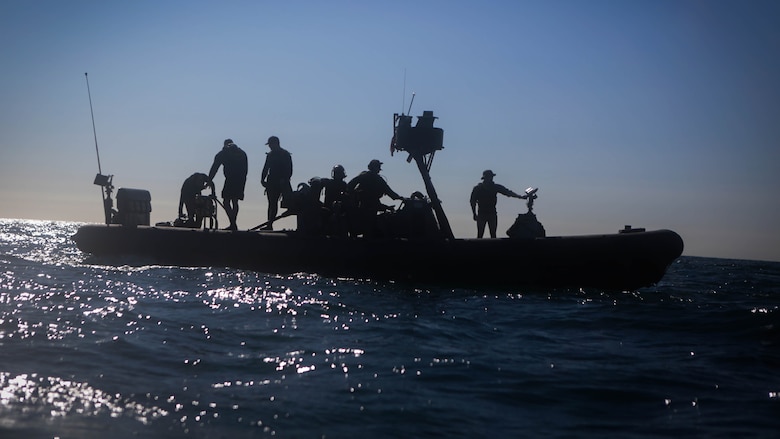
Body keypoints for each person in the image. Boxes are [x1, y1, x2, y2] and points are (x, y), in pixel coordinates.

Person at [347, 159, 402, 237]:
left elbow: (350, 185)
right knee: (370, 227)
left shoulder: (365, 176)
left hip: (366, 205)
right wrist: (400, 198)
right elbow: (390, 193)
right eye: (377, 166)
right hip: (368, 206)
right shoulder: (376, 179)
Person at [470, 169, 526, 238]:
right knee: (480, 235)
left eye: (491, 177)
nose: (491, 179)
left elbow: (507, 192)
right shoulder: (478, 188)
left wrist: (520, 197)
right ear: (485, 178)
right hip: (482, 214)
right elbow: (472, 201)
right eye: (489, 177)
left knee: (493, 234)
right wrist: (474, 213)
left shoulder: (495, 187)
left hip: (492, 213)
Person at [208, 138, 248, 231]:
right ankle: (233, 223)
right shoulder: (242, 153)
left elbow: (215, 167)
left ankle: (233, 223)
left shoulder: (223, 152)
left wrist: (209, 179)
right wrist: (243, 180)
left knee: (226, 202)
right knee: (235, 201)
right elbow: (246, 169)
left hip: (230, 179)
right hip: (241, 179)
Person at [260, 136, 293, 230]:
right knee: (271, 203)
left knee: (277, 204)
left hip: (281, 182)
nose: (269, 146)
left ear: (275, 143)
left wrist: (285, 179)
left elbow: (289, 169)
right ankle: (269, 224)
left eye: (270, 144)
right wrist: (262, 179)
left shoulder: (285, 154)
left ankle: (269, 224)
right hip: (271, 182)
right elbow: (266, 168)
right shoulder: (270, 155)